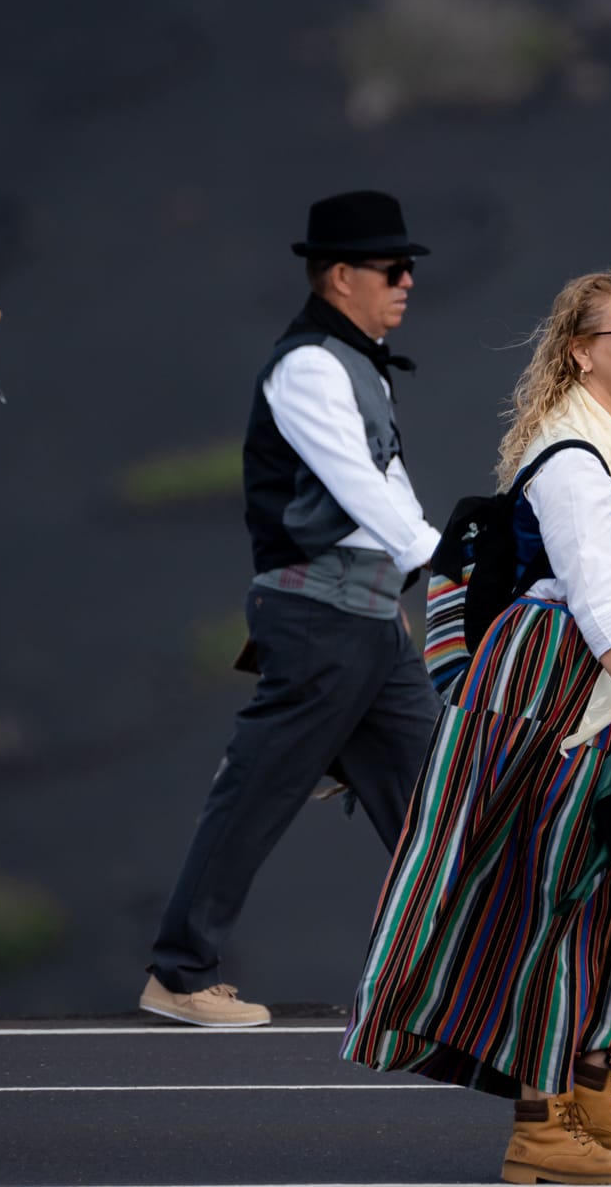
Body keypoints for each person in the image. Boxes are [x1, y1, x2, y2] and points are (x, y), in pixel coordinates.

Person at [343, 265, 611, 1185]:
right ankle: (539, 1124)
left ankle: (596, 1086)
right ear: (582, 353)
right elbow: (591, 596)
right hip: (554, 686)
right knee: (553, 887)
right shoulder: (570, 453)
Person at [141, 190, 445, 1027]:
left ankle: (474, 972)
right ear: (341, 275)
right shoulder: (308, 365)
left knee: (435, 795)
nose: (407, 280)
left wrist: (405, 577)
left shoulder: (358, 363)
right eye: (392, 267)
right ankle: (179, 972)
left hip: (367, 616)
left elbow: (389, 482)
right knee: (257, 792)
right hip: (319, 620)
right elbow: (355, 485)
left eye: (408, 266)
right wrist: (435, 556)